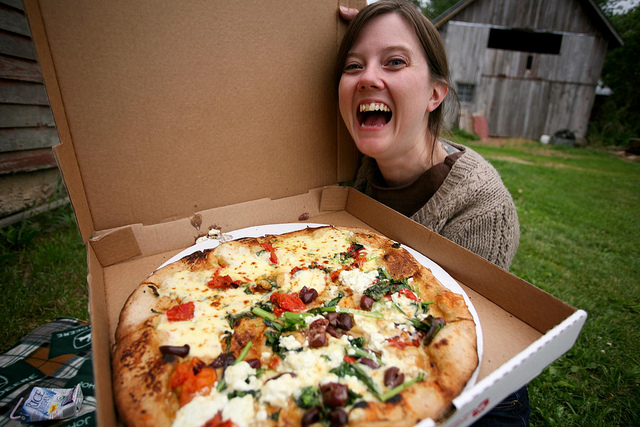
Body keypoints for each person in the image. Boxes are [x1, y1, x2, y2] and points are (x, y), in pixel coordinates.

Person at [336, 1, 529, 426]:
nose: (367, 77)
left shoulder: (481, 208)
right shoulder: (350, 173)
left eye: (395, 62)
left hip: (483, 396)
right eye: (353, 66)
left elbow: (451, 338)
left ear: (435, 94)